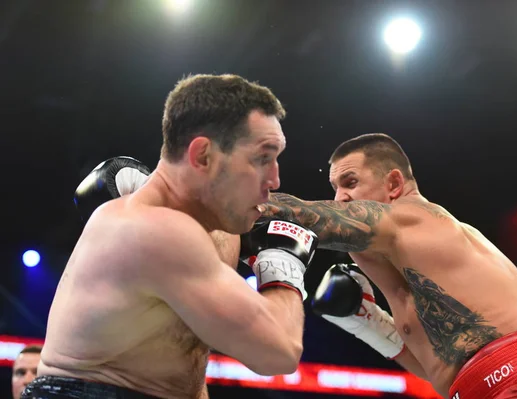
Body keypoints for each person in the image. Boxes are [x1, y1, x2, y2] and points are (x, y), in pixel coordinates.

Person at [25, 74, 319, 399]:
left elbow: (185, 370)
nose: (275, 179)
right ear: (203, 156)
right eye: (262, 158)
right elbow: (277, 352)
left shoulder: (217, 234)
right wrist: (284, 267)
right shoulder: (154, 230)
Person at [259, 133, 517, 399]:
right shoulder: (410, 261)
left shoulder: (413, 217)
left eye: (350, 182)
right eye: (334, 189)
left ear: (393, 184)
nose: (339, 199)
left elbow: (313, 216)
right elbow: (443, 368)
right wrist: (368, 323)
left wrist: (231, 197)